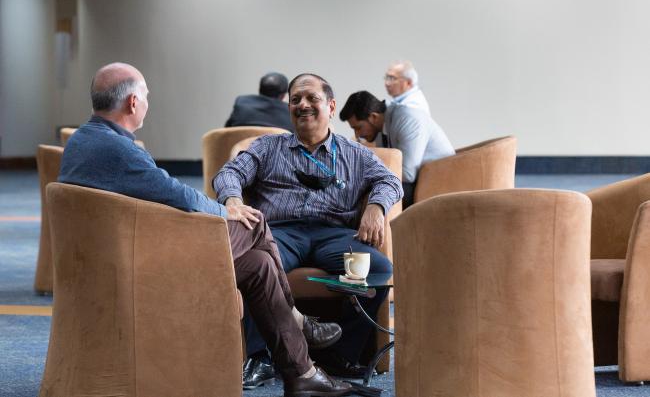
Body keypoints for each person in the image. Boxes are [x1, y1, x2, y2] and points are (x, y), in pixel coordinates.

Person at [58, 62, 351, 397]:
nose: (148, 104)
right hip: (142, 267)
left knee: (258, 265)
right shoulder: (116, 148)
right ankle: (297, 320)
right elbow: (177, 193)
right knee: (255, 222)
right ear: (133, 103)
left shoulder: (84, 139)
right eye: (147, 97)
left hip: (121, 256)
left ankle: (302, 375)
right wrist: (229, 210)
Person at [214, 73, 403, 379]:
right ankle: (261, 356)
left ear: (330, 106)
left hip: (334, 235)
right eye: (295, 99)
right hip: (280, 233)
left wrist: (376, 206)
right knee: (252, 263)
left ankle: (338, 354)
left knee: (378, 268)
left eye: (311, 98)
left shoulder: (354, 154)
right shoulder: (267, 147)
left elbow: (390, 180)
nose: (302, 105)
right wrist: (233, 199)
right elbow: (229, 174)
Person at [339, 90, 454, 208]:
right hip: (415, 181)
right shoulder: (380, 128)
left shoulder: (407, 118)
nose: (357, 135)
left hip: (437, 183)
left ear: (373, 117)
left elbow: (407, 174)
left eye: (358, 128)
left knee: (371, 193)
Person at [225, 72, 295, 132]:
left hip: (239, 147)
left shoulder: (241, 102)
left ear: (259, 89)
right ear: (283, 95)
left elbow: (225, 131)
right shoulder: (290, 112)